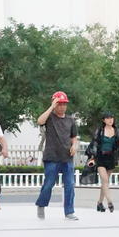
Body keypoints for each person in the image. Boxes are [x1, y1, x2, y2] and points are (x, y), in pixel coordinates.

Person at [36, 91, 80, 221]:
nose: (62, 107)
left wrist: (74, 146)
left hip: (67, 157)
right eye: (59, 104)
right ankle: (41, 204)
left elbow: (74, 138)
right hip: (52, 157)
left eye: (64, 104)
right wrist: (51, 107)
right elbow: (40, 121)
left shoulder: (70, 120)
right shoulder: (50, 118)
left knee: (70, 184)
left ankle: (69, 211)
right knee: (49, 184)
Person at [85, 112, 119, 212]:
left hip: (111, 157)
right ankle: (110, 202)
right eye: (107, 118)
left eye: (112, 117)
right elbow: (94, 143)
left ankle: (99, 203)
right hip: (100, 157)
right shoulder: (100, 131)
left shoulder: (116, 131)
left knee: (105, 182)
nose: (110, 120)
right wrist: (92, 157)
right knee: (105, 180)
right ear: (103, 120)